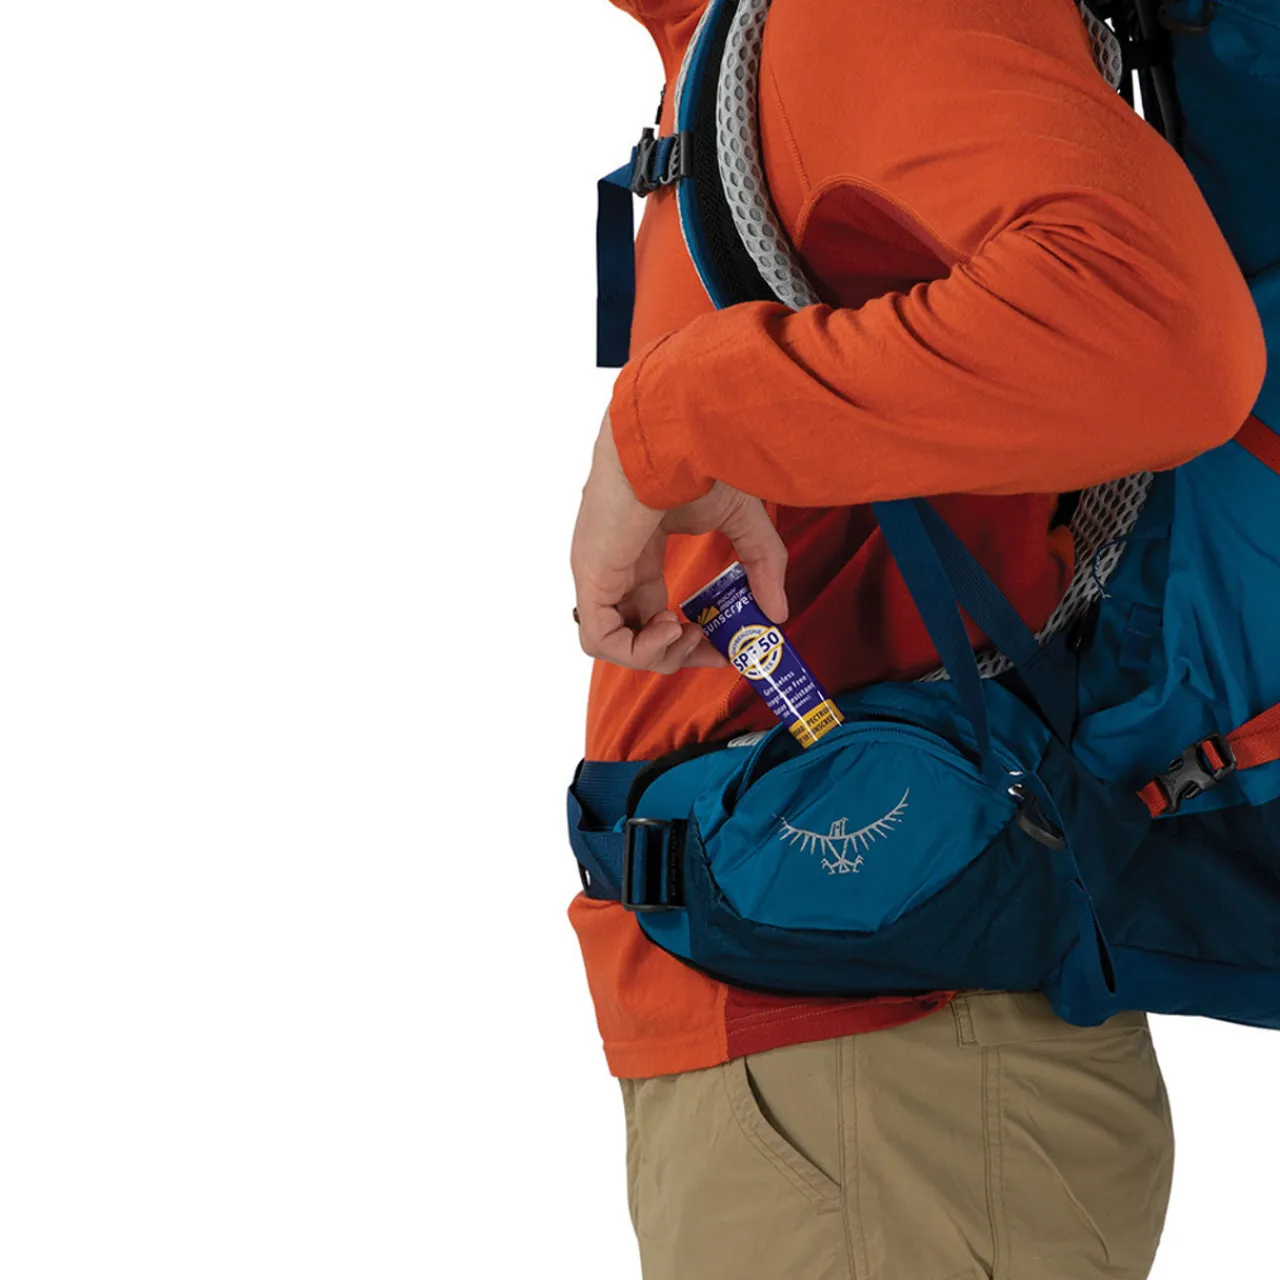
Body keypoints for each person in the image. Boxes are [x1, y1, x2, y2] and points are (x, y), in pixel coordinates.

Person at [568, 1, 1267, 1276]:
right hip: (852, 1061)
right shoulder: (739, 43)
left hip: (887, 1075)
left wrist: (669, 420)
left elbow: (1164, 336)